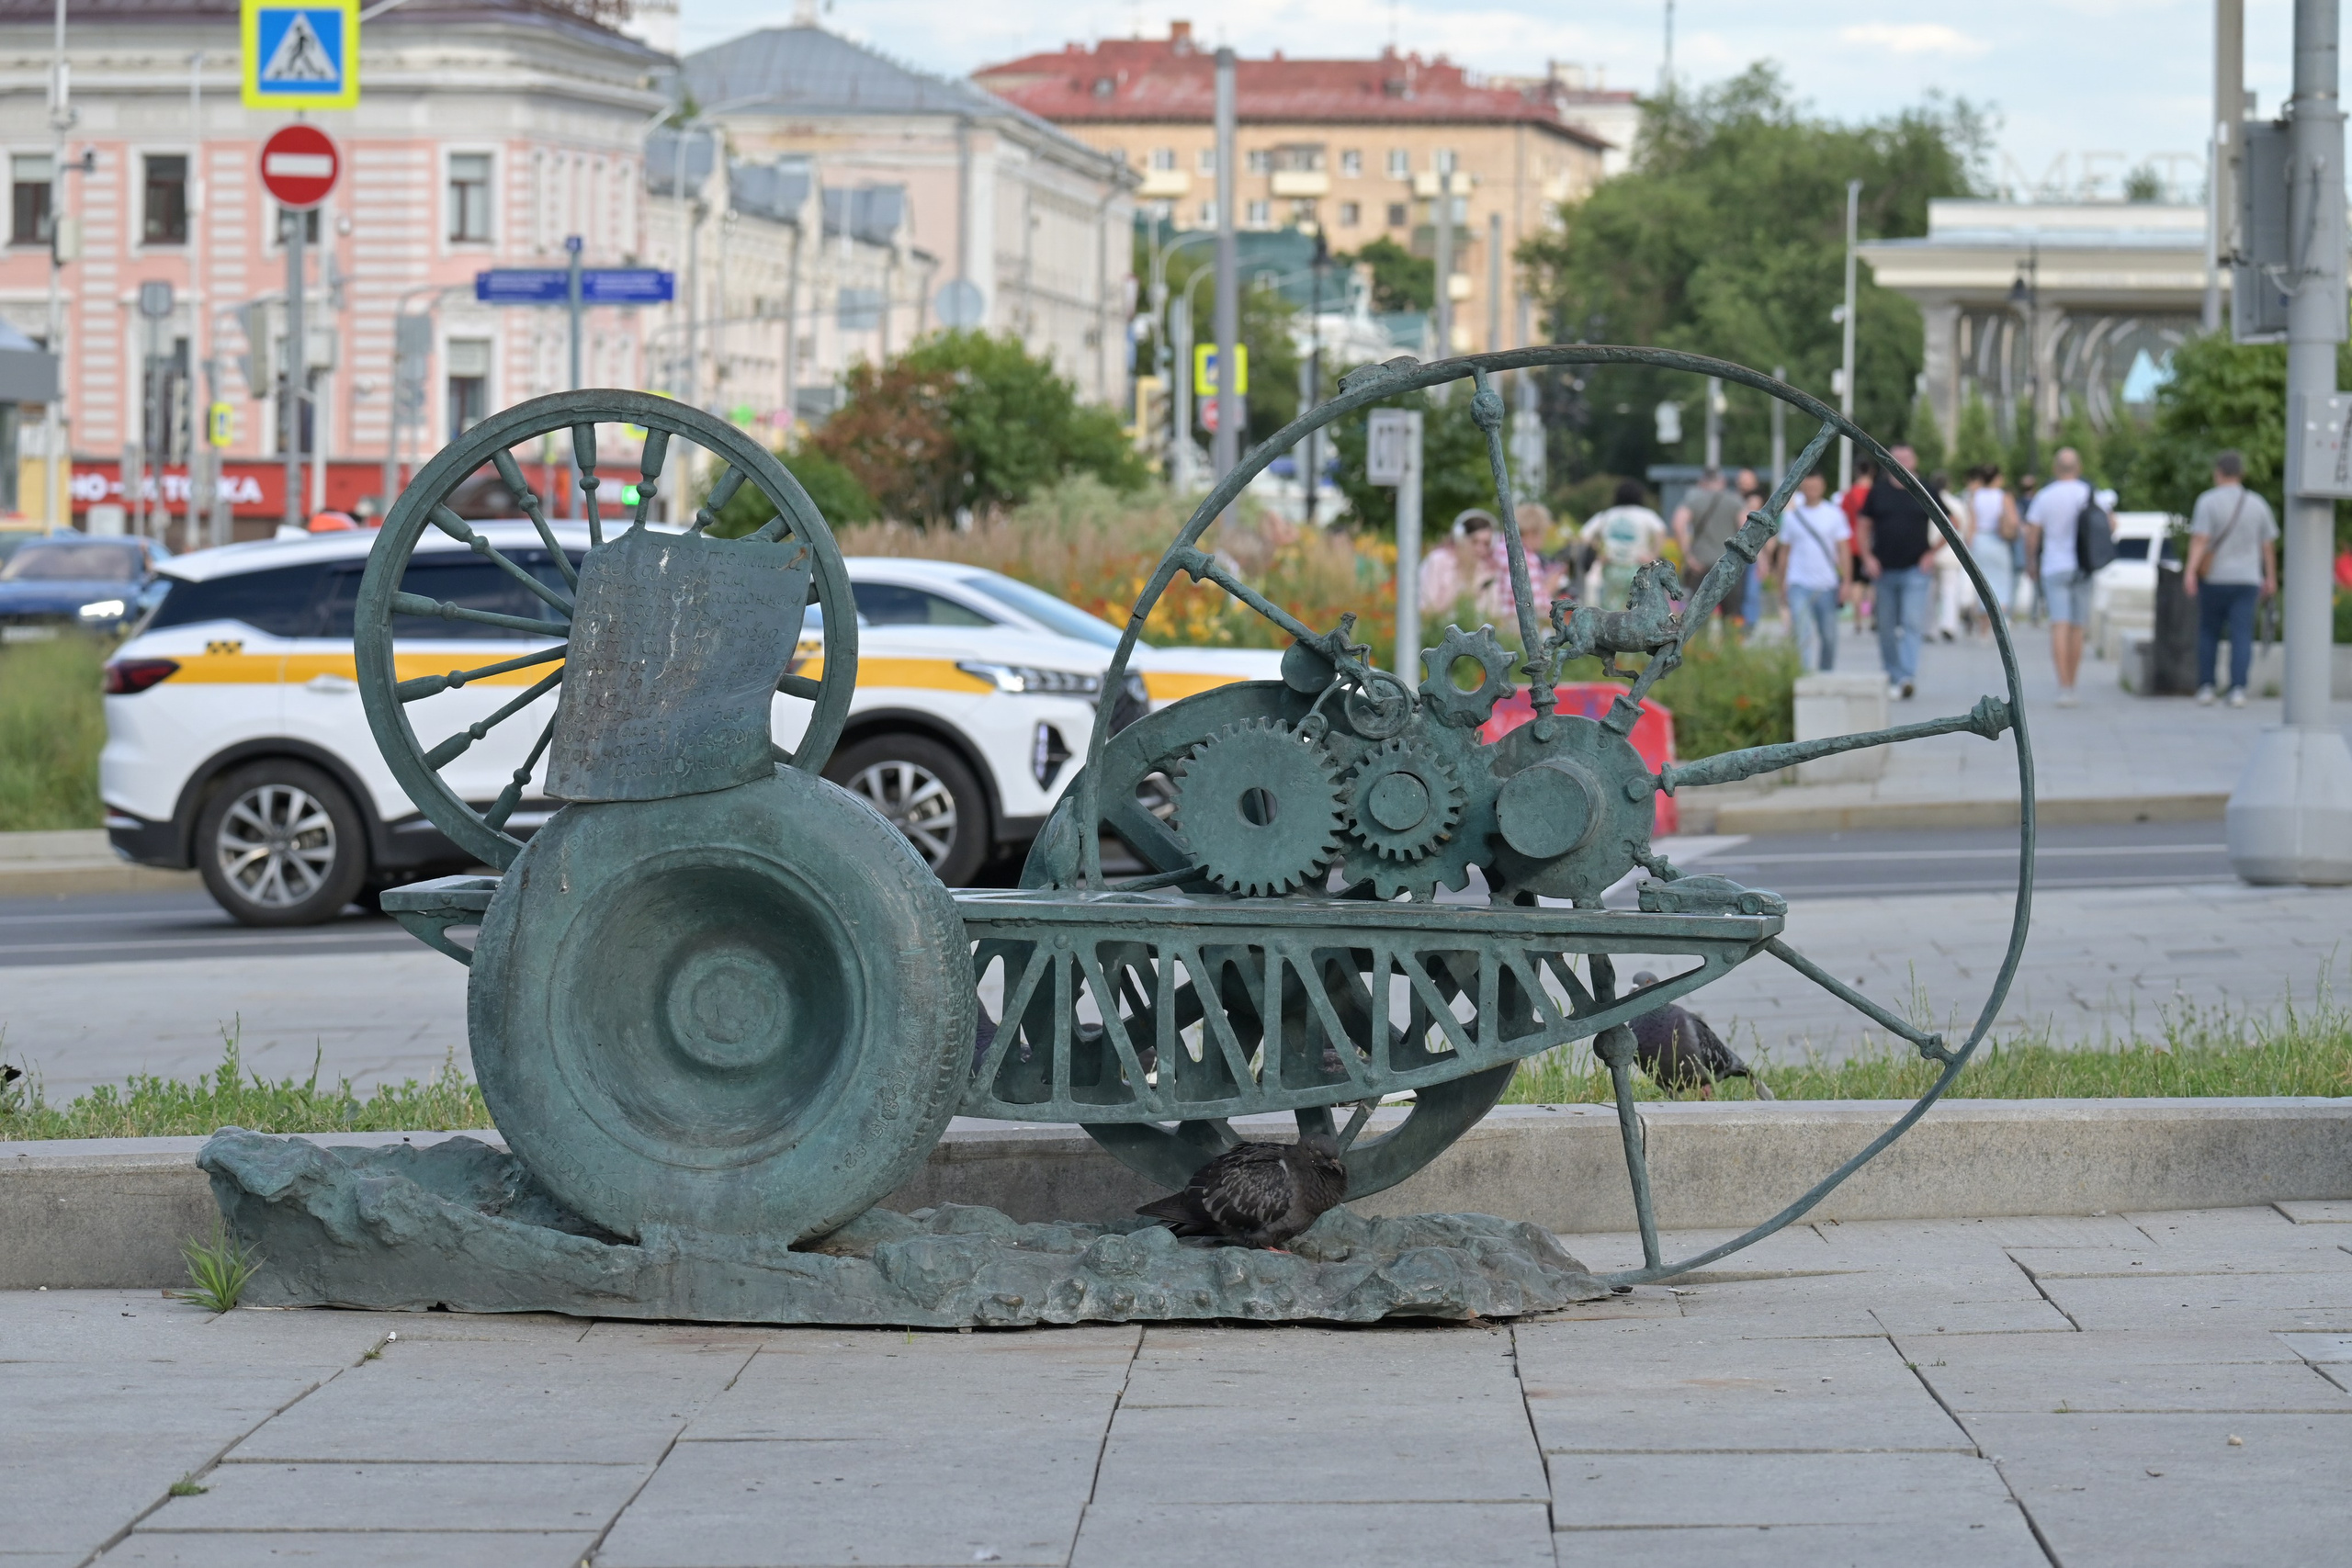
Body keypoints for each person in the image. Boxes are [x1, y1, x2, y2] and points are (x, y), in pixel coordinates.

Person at [2183, 449, 2279, 707]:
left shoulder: (2208, 501)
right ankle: (2238, 688)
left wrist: (2190, 571)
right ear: (2241, 473)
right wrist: (2270, 577)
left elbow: (2200, 540)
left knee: (2208, 633)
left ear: (2218, 472)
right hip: (2248, 580)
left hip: (2214, 579)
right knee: (2241, 634)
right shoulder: (2258, 503)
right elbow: (2267, 545)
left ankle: (2207, 686)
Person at [1854, 444, 1940, 699]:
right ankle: (1892, 673)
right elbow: (1862, 525)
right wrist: (1867, 557)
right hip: (1884, 569)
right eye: (1897, 457)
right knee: (1886, 626)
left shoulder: (1923, 489)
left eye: (1906, 457)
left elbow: (1951, 521)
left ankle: (1907, 676)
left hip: (1915, 568)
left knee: (1913, 623)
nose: (1901, 461)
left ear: (1915, 461)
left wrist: (1932, 553)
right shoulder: (1878, 492)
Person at [2023, 448, 2103, 706]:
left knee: (2059, 624)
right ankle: (2073, 684)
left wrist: (2031, 562)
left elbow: (2033, 534)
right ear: (2078, 468)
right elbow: (2110, 524)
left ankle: (2063, 687)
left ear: (2056, 468)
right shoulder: (2088, 494)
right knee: (2077, 627)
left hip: (2054, 566)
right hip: (2083, 566)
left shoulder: (2045, 496)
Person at [1765, 469, 1851, 671]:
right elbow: (1784, 554)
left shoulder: (1834, 515)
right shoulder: (1793, 517)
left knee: (1829, 636)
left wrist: (1846, 581)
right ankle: (1805, 675)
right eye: (1808, 486)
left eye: (1816, 486)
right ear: (1803, 488)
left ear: (1823, 487)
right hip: (1799, 583)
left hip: (1827, 584)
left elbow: (1844, 550)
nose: (1812, 490)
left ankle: (1826, 673)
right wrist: (1781, 583)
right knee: (1802, 634)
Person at [1578, 480, 1669, 606]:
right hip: (1638, 566)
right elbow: (1661, 530)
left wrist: (1599, 550)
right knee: (1638, 607)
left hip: (1612, 566)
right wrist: (1653, 554)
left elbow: (1585, 534)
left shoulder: (1607, 515)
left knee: (1611, 608)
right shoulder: (1646, 515)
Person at [1672, 466, 1745, 609]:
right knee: (1732, 615)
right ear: (1722, 481)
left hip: (1700, 563)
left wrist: (1688, 556)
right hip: (1728, 564)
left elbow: (1678, 524)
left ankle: (1700, 632)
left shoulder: (1693, 500)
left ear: (1702, 482)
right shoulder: (1735, 501)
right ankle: (1731, 631)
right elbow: (1746, 528)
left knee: (1697, 614)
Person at [1418, 509, 1500, 620]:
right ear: (1459, 539)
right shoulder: (1437, 562)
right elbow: (1423, 611)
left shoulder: (1487, 573)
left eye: (1486, 544)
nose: (1480, 549)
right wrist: (1462, 598)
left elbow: (1494, 616)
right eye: (1474, 542)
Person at [1967, 463, 2021, 622]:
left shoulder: (1975, 496)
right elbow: (2014, 521)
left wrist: (1969, 545)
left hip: (1980, 540)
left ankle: (1983, 628)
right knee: (2001, 583)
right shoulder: (2004, 496)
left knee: (1982, 583)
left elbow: (1972, 524)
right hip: (1998, 541)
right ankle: (2001, 623)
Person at [1929, 470, 1970, 641]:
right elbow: (1964, 528)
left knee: (1930, 592)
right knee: (1949, 590)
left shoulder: (1927, 500)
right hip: (1951, 552)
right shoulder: (1958, 504)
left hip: (1930, 549)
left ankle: (1929, 627)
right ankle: (1949, 625)